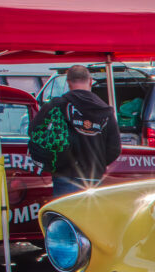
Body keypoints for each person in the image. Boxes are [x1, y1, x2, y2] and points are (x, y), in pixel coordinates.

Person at [30, 65, 121, 196]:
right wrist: (97, 162)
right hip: (94, 178)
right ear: (90, 81)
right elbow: (115, 148)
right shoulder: (105, 110)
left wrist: (52, 161)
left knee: (66, 216)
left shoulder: (57, 105)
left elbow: (34, 132)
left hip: (65, 175)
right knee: (90, 217)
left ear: (68, 82)